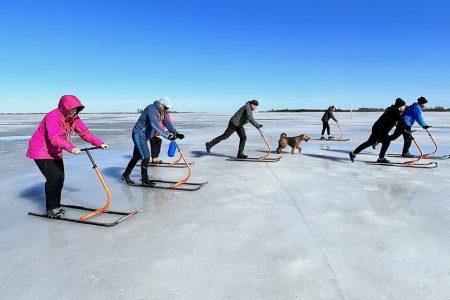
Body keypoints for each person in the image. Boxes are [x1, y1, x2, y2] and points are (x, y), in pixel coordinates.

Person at [26, 95, 108, 218]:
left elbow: (84, 133)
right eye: (73, 108)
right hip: (40, 150)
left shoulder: (74, 118)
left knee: (60, 178)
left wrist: (99, 143)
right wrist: (70, 147)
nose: (75, 111)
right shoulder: (53, 117)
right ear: (65, 107)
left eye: (77, 109)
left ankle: (56, 205)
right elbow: (54, 138)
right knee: (54, 178)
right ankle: (51, 209)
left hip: (55, 151)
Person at [122, 97, 184, 186]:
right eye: (166, 107)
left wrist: (176, 133)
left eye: (167, 108)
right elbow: (154, 124)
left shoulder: (162, 112)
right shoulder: (151, 108)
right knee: (146, 156)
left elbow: (167, 123)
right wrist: (166, 135)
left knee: (136, 156)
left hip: (144, 136)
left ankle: (125, 175)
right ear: (161, 104)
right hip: (138, 134)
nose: (166, 110)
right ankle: (145, 180)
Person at [349, 98, 409, 163]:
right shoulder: (395, 111)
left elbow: (396, 122)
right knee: (370, 142)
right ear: (400, 106)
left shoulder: (394, 110)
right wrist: (408, 127)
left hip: (382, 130)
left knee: (387, 141)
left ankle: (381, 158)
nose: (404, 107)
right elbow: (401, 121)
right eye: (404, 106)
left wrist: (404, 129)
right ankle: (353, 153)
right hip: (378, 129)